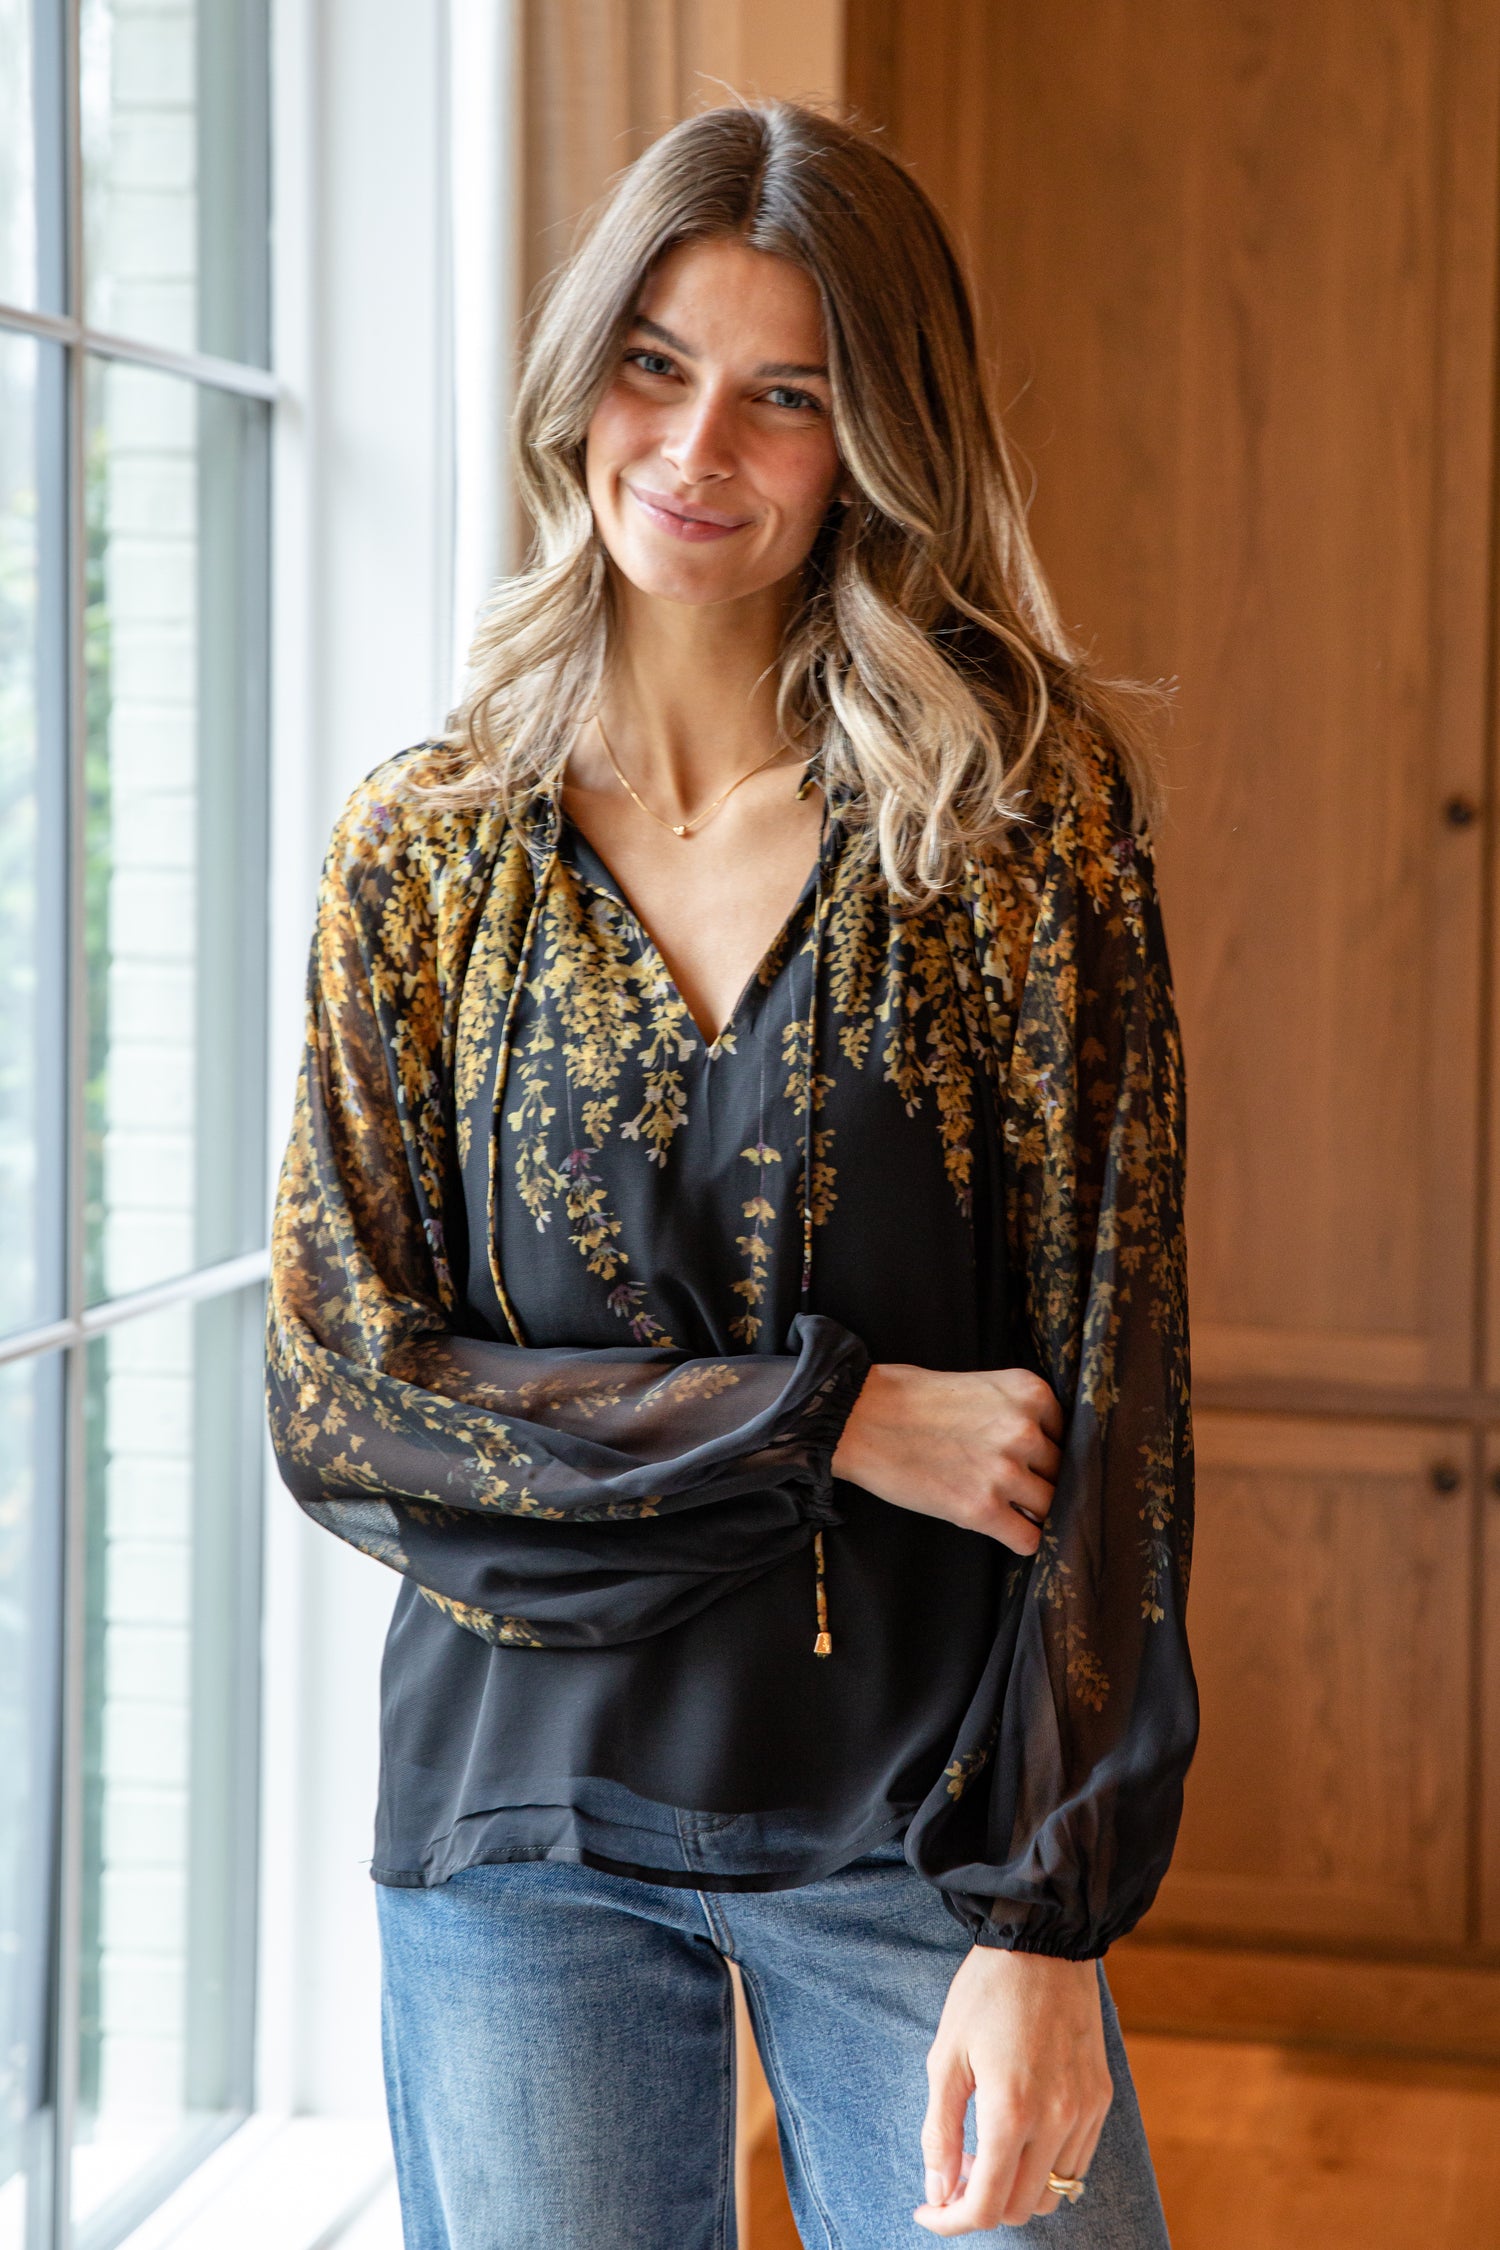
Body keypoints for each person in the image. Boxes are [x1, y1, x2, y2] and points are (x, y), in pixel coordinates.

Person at [266, 98, 1196, 2249]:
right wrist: (836, 1419)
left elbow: (1116, 1398)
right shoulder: (424, 853)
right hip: (516, 1841)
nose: (697, 447)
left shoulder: (1009, 833)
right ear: (579, 374)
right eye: (659, 365)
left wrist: (1049, 1921)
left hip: (919, 1837)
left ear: (877, 444)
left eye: (790, 397)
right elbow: (346, 1400)